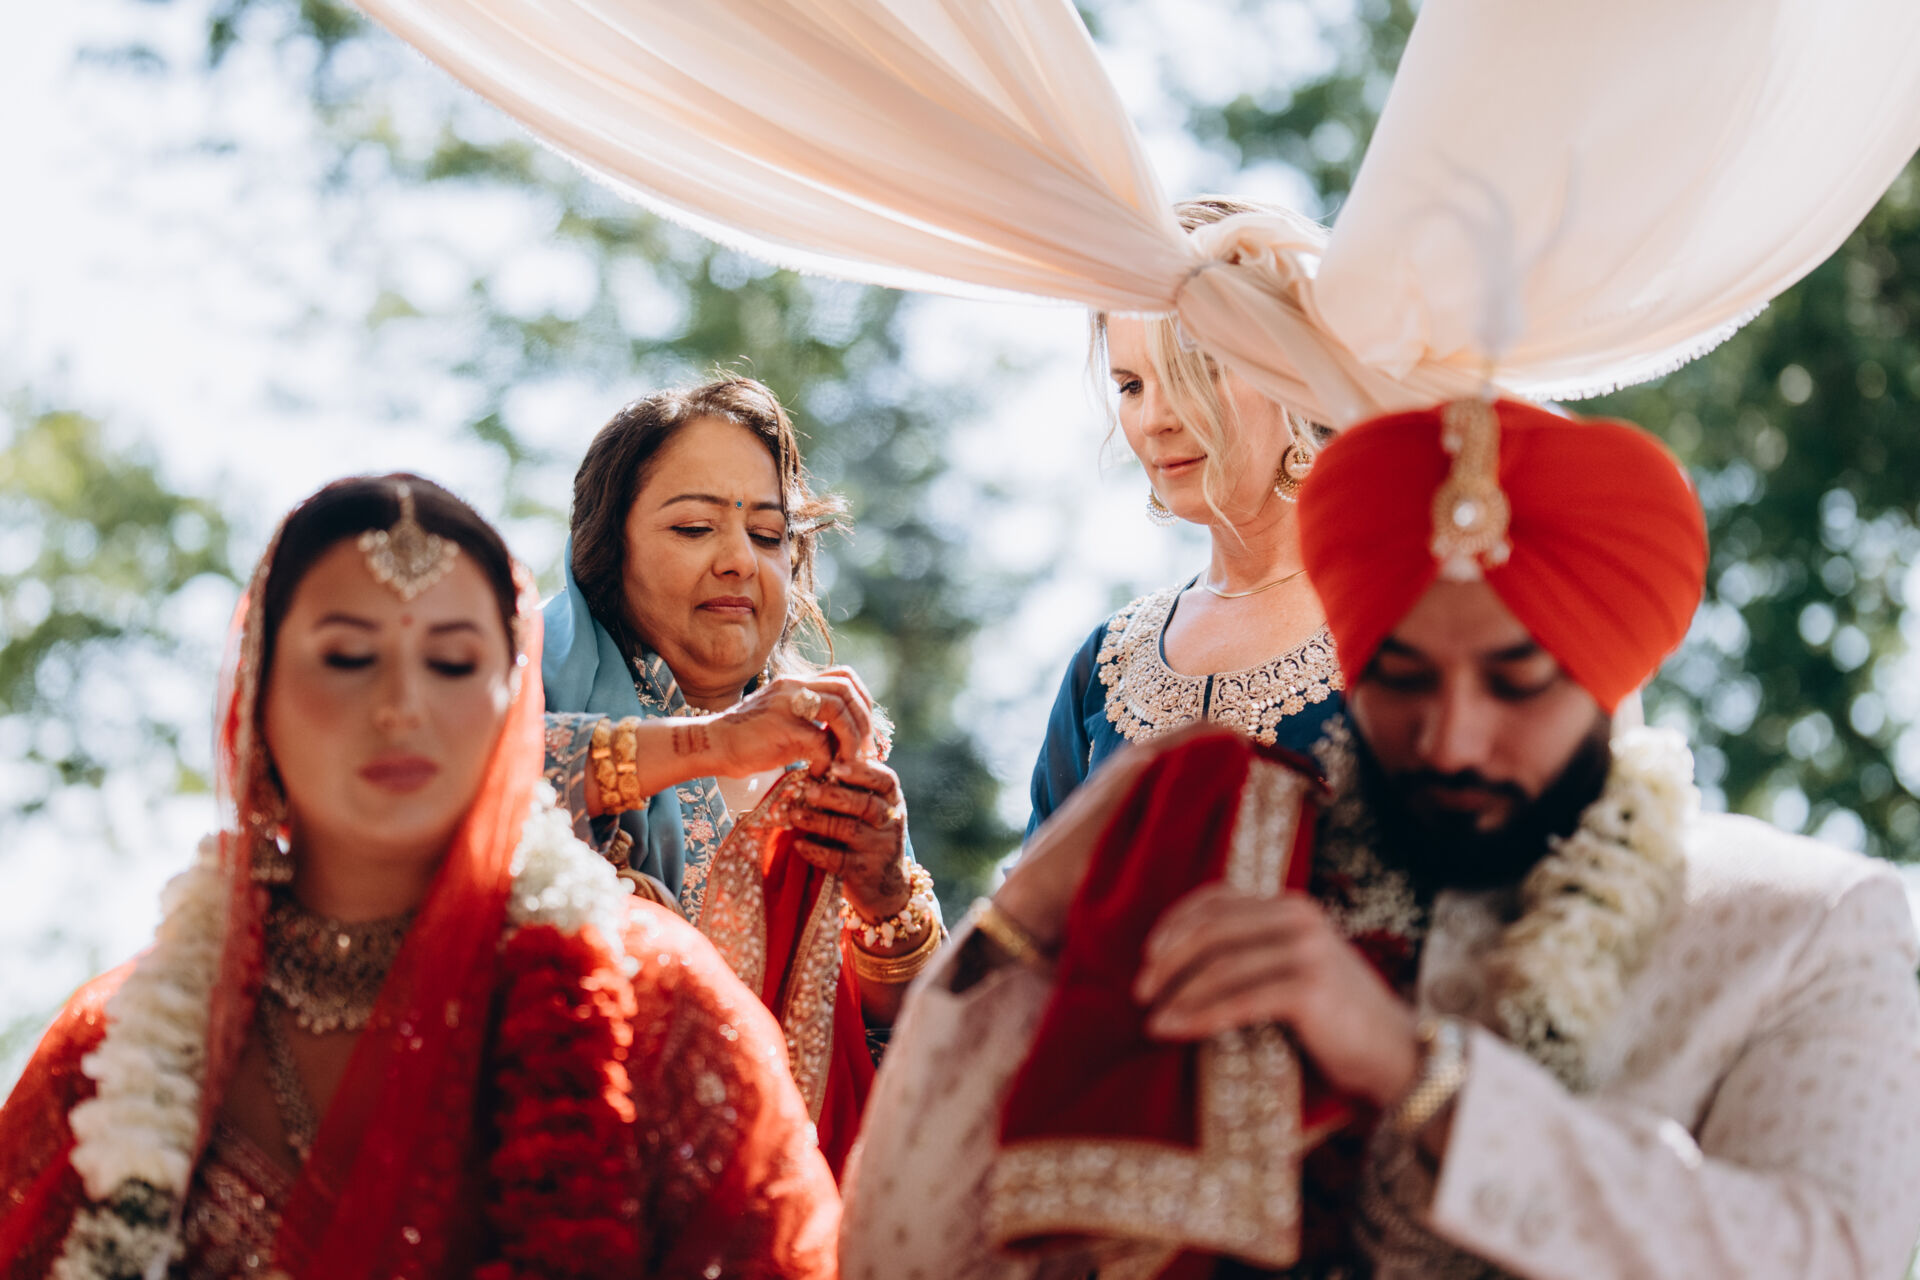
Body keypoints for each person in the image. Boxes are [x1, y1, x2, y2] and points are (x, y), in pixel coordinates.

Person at [842, 397, 1920, 1278]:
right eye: (1401, 679)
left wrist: (1418, 1072)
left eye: (1515, 684)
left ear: (1607, 681)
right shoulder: (1237, 867)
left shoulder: (1802, 926)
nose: (1451, 738)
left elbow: (1827, 1256)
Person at [0, 475, 838, 1279]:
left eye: (452, 664)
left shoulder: (655, 1016)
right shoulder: (113, 1059)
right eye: (347, 657)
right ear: (257, 699)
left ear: (516, 707)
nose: (401, 706)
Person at [541, 375, 941, 1177]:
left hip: (800, 1196)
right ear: (608, 551)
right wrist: (715, 743)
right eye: (694, 528)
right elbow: (471, 790)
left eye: (767, 535)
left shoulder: (830, 756)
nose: (737, 562)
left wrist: (885, 894)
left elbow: (932, 1049)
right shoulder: (533, 690)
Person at [1029, 197, 1343, 833]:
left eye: (1195, 371)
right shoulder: (1107, 662)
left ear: (1294, 373)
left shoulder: (1405, 627)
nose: (1154, 419)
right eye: (1131, 386)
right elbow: (1033, 892)